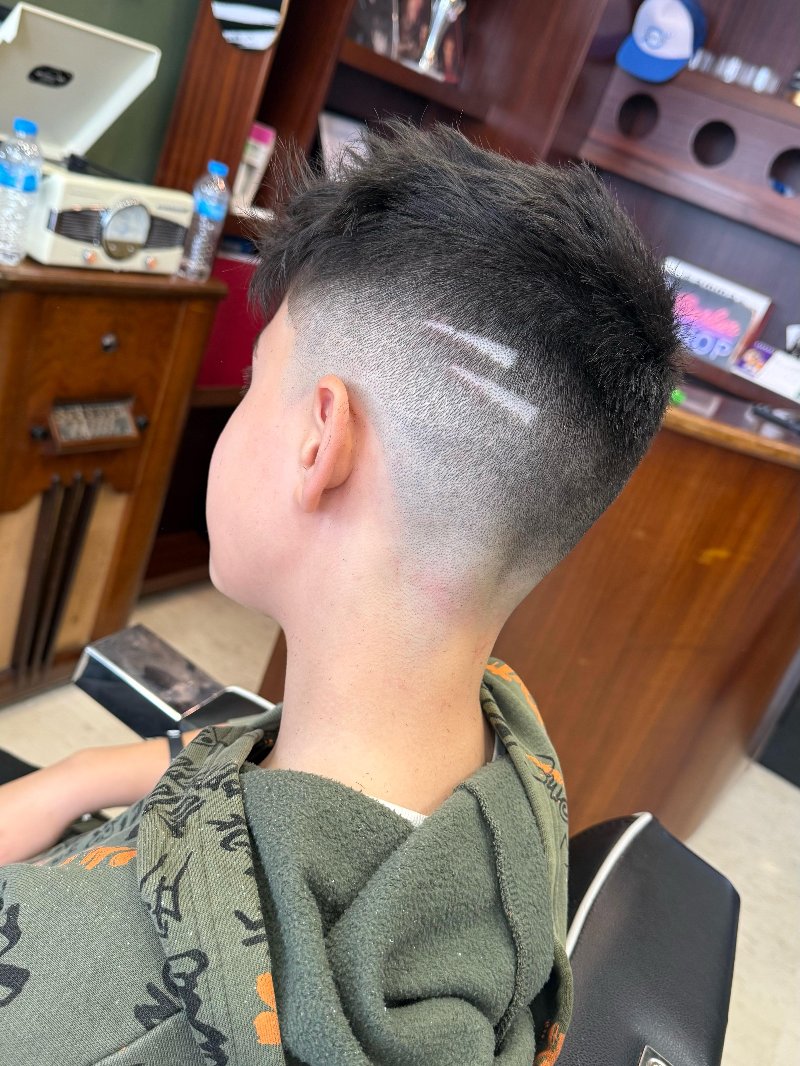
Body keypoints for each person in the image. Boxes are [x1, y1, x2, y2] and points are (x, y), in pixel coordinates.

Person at [0, 122, 681, 1065]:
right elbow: (258, 757)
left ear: (321, 443)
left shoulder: (88, 1019)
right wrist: (79, 776)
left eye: (255, 383)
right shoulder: (505, 746)